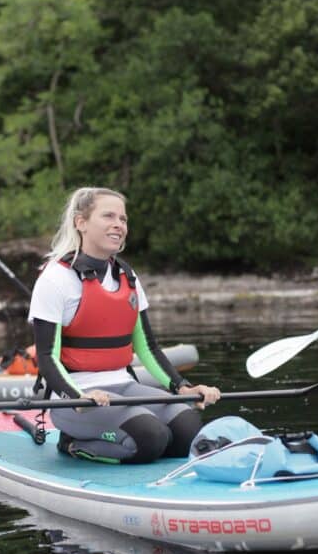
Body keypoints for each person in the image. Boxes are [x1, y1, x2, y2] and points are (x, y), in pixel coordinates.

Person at [28, 187, 220, 464]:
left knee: (188, 431)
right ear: (81, 223)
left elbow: (148, 348)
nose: (119, 224)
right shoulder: (55, 279)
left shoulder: (127, 276)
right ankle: (72, 443)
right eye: (108, 216)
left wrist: (183, 388)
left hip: (124, 386)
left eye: (123, 219)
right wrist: (77, 396)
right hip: (74, 398)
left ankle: (137, 441)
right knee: (150, 437)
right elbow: (46, 357)